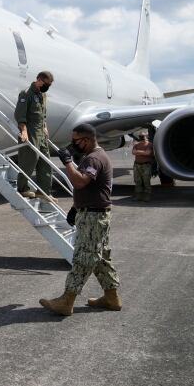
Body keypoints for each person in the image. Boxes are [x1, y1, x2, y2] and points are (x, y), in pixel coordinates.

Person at [39, 123, 121, 316]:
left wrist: (68, 162)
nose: (73, 145)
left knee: (84, 258)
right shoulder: (92, 157)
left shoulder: (94, 159)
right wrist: (75, 208)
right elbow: (89, 189)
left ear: (87, 140)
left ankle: (67, 301)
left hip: (94, 217)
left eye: (76, 141)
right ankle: (112, 297)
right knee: (100, 258)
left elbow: (80, 181)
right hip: (91, 213)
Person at [14, 71, 56, 202]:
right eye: (46, 84)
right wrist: (24, 131)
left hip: (41, 134)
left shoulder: (43, 95)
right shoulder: (27, 93)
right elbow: (20, 114)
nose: (47, 87)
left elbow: (42, 114)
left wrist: (45, 127)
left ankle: (43, 191)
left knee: (46, 161)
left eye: (49, 85)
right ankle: (23, 188)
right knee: (29, 159)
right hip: (30, 132)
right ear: (39, 80)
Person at [131, 132, 154, 201]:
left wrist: (138, 152)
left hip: (146, 165)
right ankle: (138, 196)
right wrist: (143, 152)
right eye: (141, 136)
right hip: (137, 165)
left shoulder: (149, 144)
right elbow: (133, 152)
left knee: (146, 181)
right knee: (137, 181)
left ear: (146, 136)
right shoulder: (136, 144)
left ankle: (147, 196)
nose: (142, 137)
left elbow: (148, 153)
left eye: (143, 136)